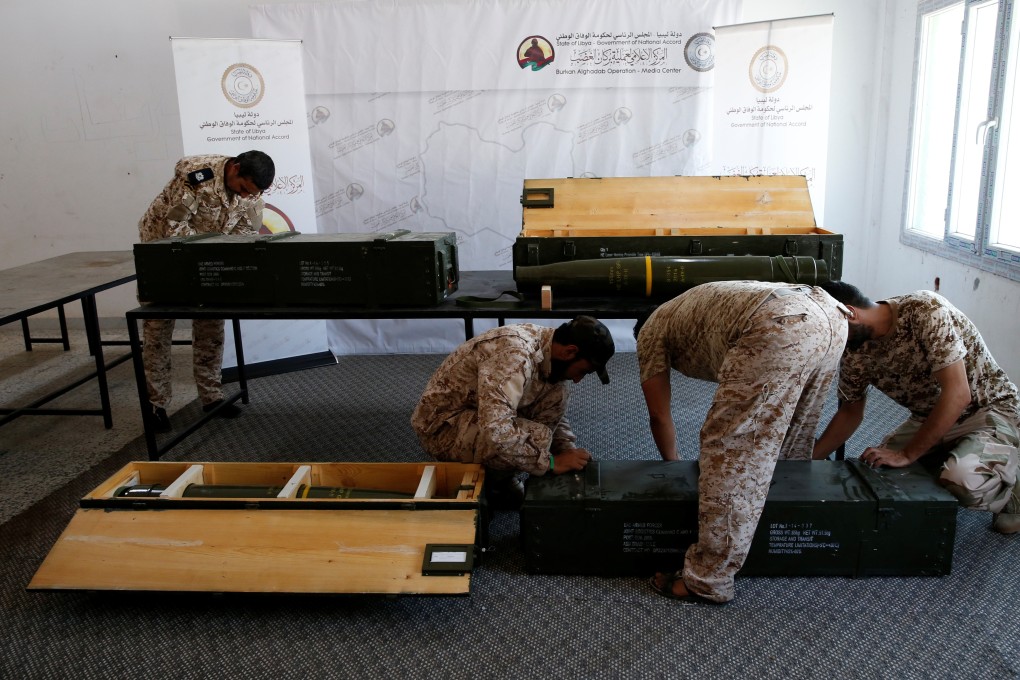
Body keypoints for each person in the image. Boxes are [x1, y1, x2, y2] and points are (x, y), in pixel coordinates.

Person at [636, 281, 850, 604]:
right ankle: (774, 542)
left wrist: (673, 465)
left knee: (730, 448)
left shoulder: (650, 331)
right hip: (831, 317)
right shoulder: (684, 308)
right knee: (791, 436)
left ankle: (708, 579)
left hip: (780, 323)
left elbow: (659, 415)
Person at [813, 281, 1020, 534]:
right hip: (930, 417)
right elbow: (850, 413)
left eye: (827, 329)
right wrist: (803, 463)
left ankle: (1014, 493)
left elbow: (958, 394)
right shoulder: (853, 349)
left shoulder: (925, 310)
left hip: (988, 410)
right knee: (876, 470)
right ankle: (956, 456)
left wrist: (907, 454)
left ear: (850, 313)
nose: (827, 339)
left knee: (962, 480)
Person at [411, 316, 615, 509]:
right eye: (583, 372)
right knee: (539, 437)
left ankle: (498, 472)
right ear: (570, 352)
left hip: (478, 411)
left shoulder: (548, 348)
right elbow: (495, 430)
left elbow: (551, 410)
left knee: (557, 394)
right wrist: (550, 463)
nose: (578, 380)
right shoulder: (515, 356)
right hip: (441, 427)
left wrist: (566, 450)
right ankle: (494, 485)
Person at [138, 150, 275, 432]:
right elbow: (173, 227)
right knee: (158, 329)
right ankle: (156, 405)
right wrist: (212, 252)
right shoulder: (196, 177)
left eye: (251, 193)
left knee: (211, 323)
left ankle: (212, 397)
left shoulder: (251, 193)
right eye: (243, 188)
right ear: (235, 168)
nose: (246, 196)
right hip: (161, 252)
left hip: (205, 255)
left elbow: (245, 234)